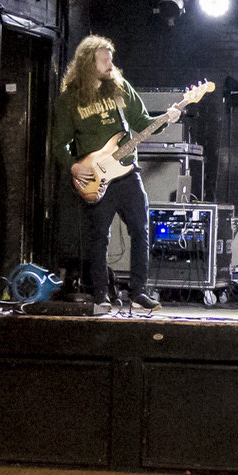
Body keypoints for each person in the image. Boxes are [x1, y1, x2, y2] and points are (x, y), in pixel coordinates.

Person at [53, 33, 154, 305]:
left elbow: (142, 122)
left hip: (127, 172)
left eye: (111, 60)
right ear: (88, 64)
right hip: (96, 176)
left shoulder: (120, 88)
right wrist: (73, 166)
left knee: (141, 230)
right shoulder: (70, 100)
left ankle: (138, 291)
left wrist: (168, 117)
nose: (111, 65)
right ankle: (100, 294)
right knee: (99, 237)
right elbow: (58, 144)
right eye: (104, 61)